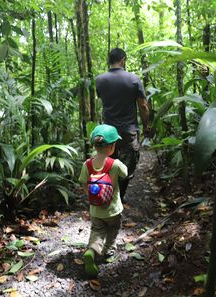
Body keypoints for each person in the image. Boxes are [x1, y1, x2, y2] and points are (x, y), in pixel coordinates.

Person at [95, 48, 151, 201]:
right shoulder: (133, 79)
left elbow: (103, 102)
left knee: (109, 163)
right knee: (128, 166)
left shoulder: (100, 80)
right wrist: (147, 126)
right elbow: (143, 106)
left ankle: (109, 194)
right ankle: (118, 195)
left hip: (108, 132)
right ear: (123, 60)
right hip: (128, 131)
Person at [78, 124, 128, 278]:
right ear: (112, 147)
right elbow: (125, 174)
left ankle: (92, 251)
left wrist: (91, 195)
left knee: (97, 231)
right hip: (113, 209)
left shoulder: (87, 165)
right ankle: (109, 252)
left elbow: (83, 183)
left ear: (94, 145)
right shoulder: (115, 164)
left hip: (96, 210)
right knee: (113, 230)